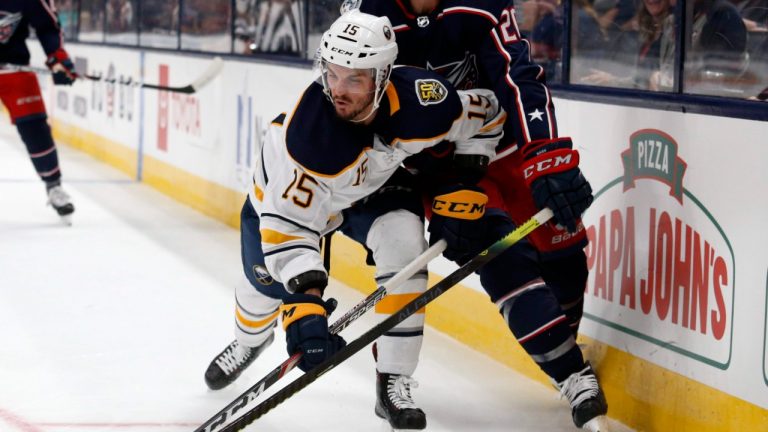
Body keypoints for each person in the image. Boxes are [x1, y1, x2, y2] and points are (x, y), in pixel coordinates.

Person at [203, 10, 505, 431]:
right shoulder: (309, 139)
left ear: (383, 78)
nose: (338, 90)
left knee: (406, 250)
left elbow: (488, 113)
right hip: (279, 205)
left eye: (354, 79)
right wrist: (306, 305)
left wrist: (466, 180)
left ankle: (394, 379)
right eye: (332, 74)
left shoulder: (424, 101)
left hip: (371, 191)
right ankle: (248, 341)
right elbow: (288, 229)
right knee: (264, 288)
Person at [351, 0, 606, 430]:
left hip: (492, 140)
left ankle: (561, 345)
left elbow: (517, 74)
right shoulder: (368, 12)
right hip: (415, 162)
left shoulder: (481, 4)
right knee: (499, 254)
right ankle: (570, 372)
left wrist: (544, 152)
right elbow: (346, 94)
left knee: (565, 256)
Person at [0, 0, 78, 223]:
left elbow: (47, 27)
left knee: (35, 127)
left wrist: (58, 60)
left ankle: (53, 186)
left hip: (12, 67)